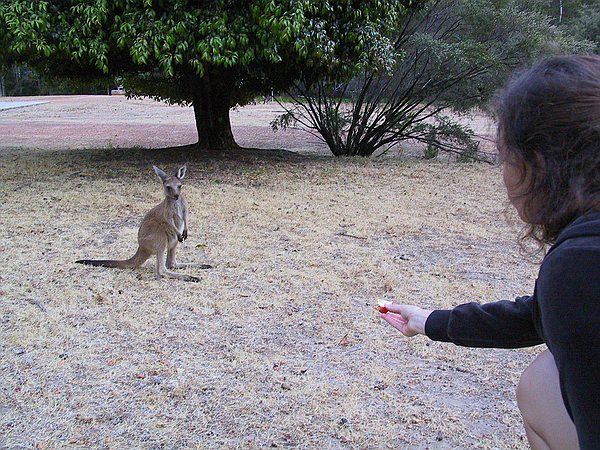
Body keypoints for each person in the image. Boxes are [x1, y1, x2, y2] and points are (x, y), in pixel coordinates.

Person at [380, 54, 600, 450]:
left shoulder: (581, 262)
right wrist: (430, 321)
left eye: (505, 158)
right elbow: (537, 317)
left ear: (537, 164)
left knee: (541, 382)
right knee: (545, 377)